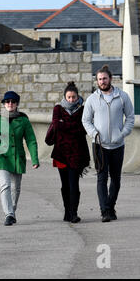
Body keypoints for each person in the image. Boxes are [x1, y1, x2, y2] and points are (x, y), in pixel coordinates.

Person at [82, 65, 135, 222]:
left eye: (104, 78)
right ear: (97, 81)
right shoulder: (92, 99)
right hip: (99, 145)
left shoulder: (122, 96)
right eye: (99, 79)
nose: (102, 81)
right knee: (101, 178)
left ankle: (110, 207)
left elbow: (131, 117)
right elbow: (85, 120)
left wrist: (123, 133)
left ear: (110, 79)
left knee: (116, 179)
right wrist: (94, 134)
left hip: (118, 145)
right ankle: (105, 211)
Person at [0, 91, 39, 226]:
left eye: (13, 102)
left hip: (17, 157)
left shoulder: (23, 119)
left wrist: (34, 159)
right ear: (4, 104)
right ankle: (9, 214)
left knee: (16, 188)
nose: (10, 104)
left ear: (17, 104)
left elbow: (31, 140)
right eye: (7, 102)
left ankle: (12, 211)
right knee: (5, 185)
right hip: (1, 156)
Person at [50, 82, 90, 223]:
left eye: (74, 97)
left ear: (78, 97)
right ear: (64, 97)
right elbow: (56, 124)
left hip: (77, 153)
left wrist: (64, 125)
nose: (71, 100)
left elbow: (83, 128)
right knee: (65, 185)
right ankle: (67, 211)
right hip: (61, 153)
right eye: (69, 97)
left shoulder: (83, 109)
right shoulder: (58, 108)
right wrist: (72, 127)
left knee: (74, 184)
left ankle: (74, 212)